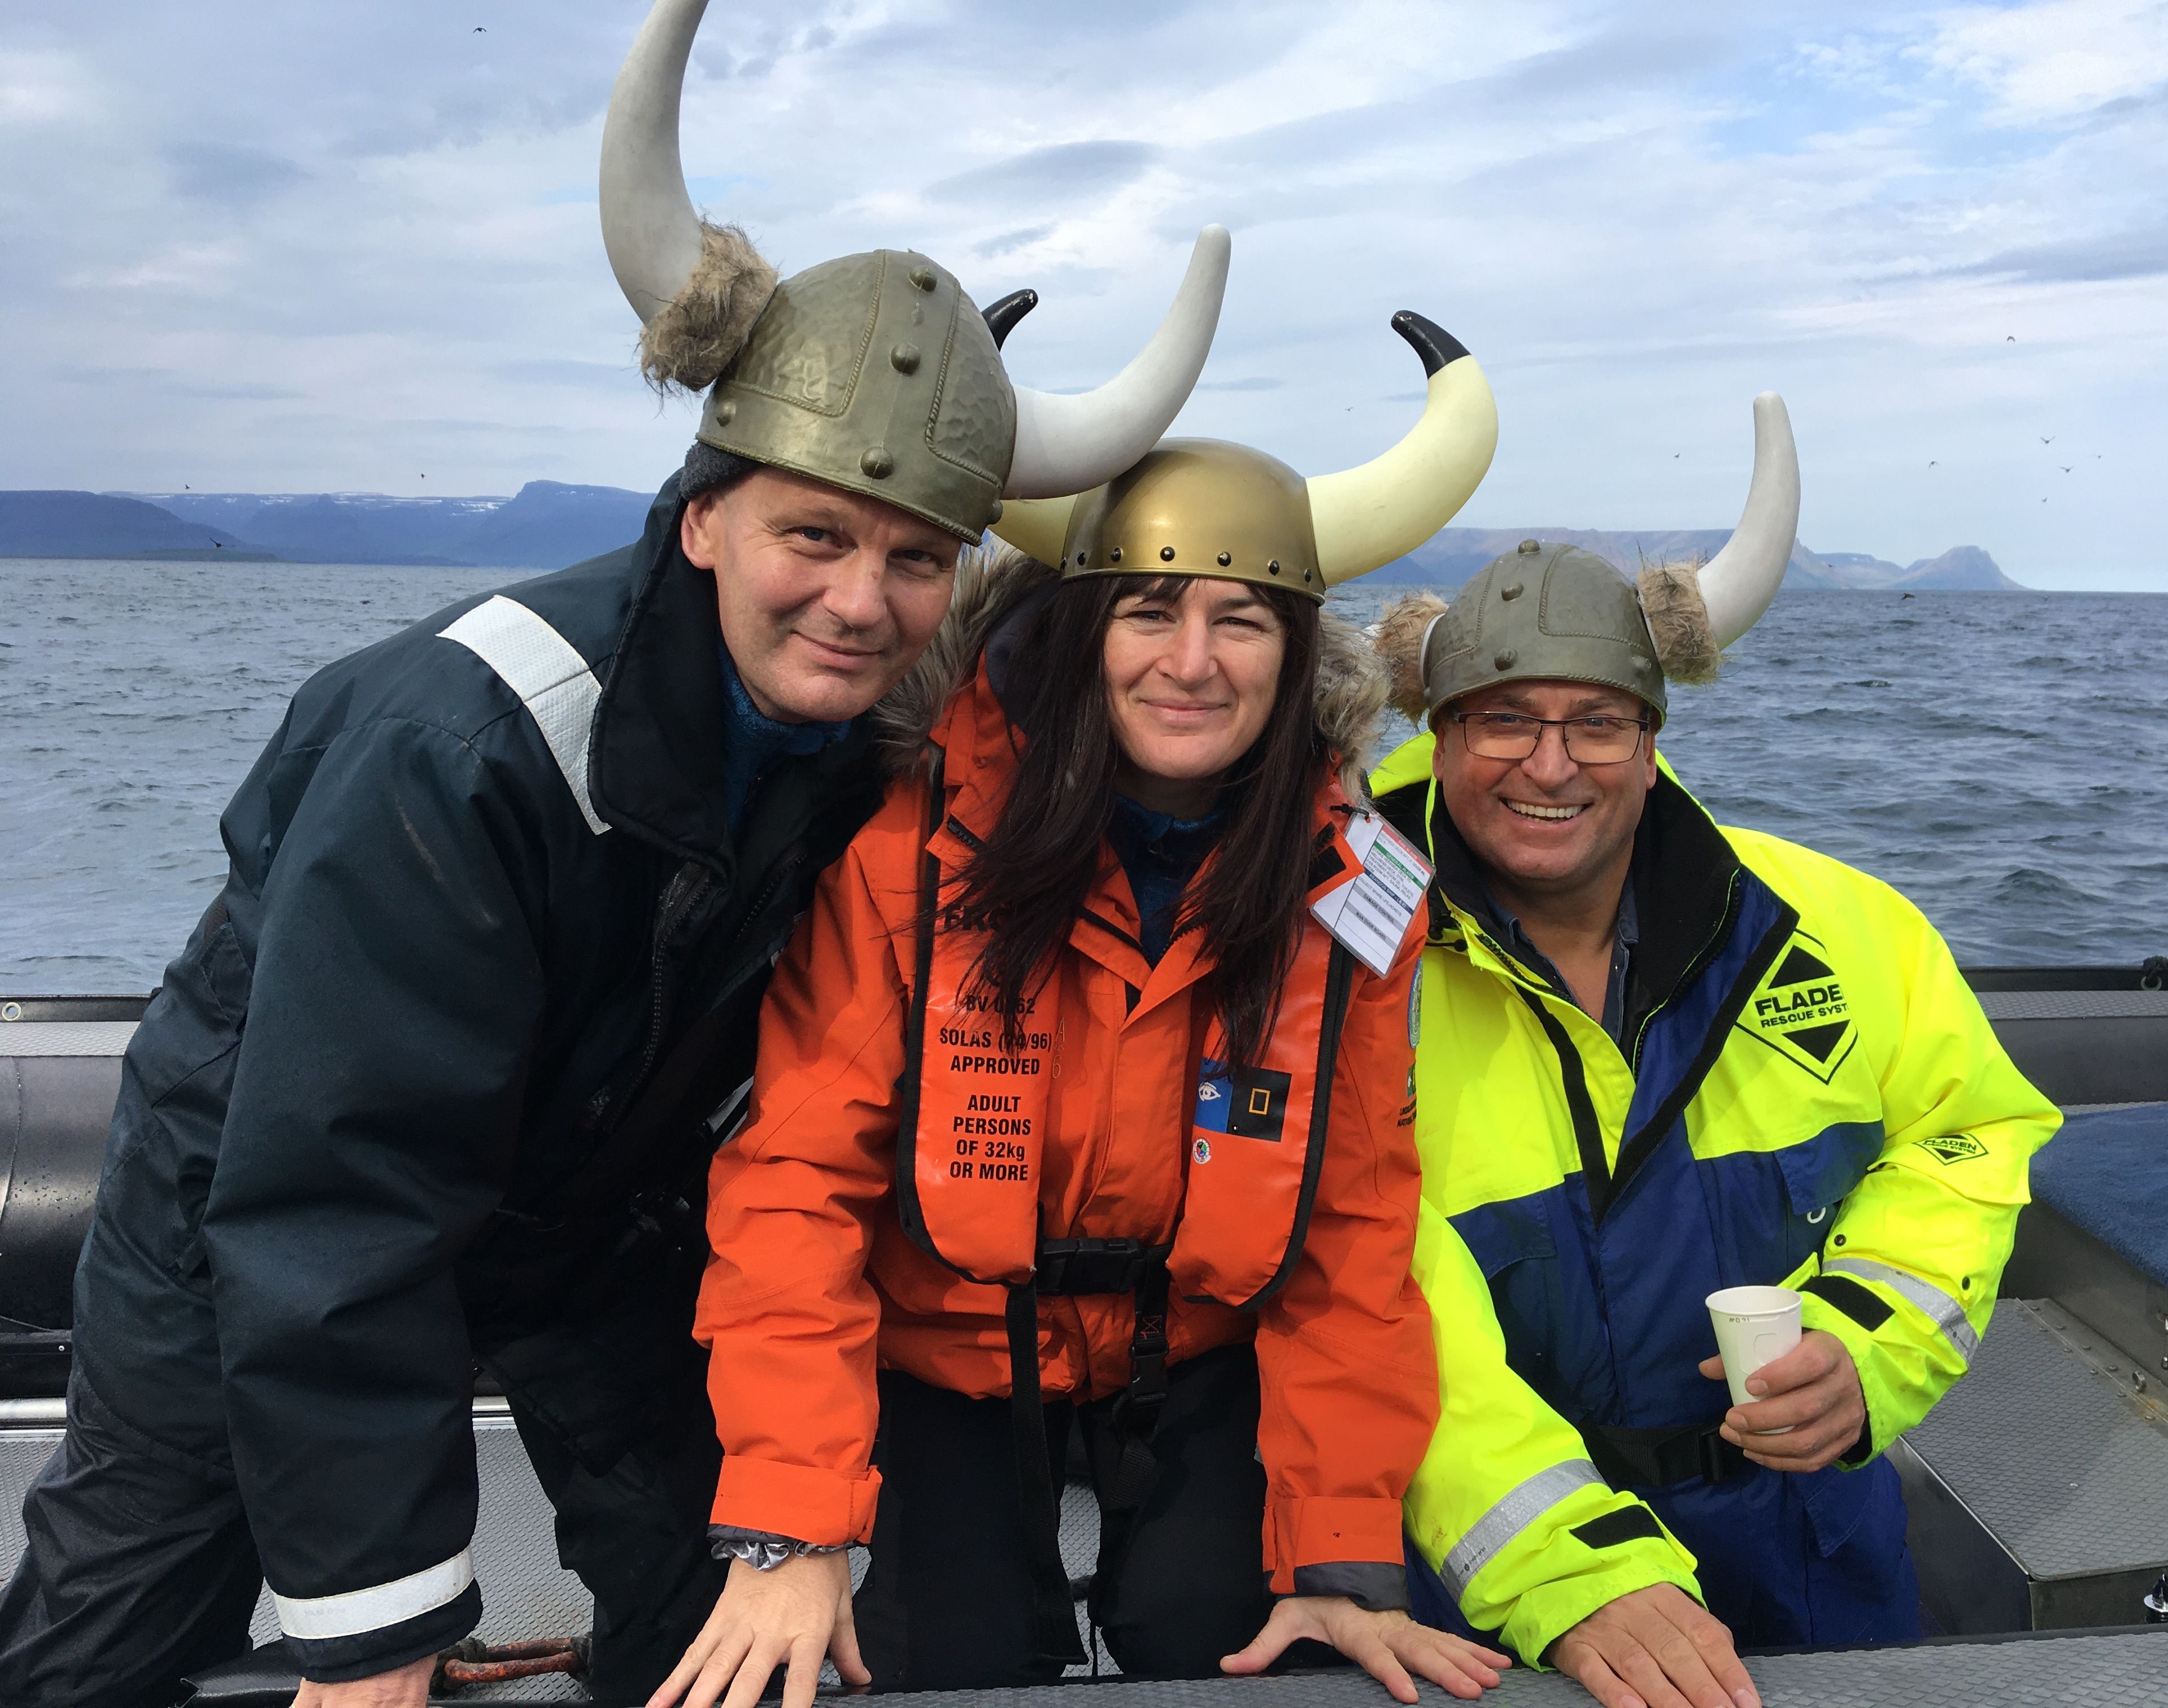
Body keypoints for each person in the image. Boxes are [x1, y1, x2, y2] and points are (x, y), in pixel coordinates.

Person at [0, 1, 1229, 1701]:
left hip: (589, 1208)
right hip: (254, 1201)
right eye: (814, 534)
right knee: (113, 1636)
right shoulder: (468, 743)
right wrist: (381, 1630)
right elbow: (338, 1185)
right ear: (704, 514)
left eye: (915, 557)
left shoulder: (873, 739)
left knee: (718, 1629)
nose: (861, 601)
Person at [647, 315, 1506, 1708]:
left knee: (1249, 1657)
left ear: (1294, 657)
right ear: (1077, 632)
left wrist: (1344, 1552)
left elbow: (1352, 1231)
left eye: (1241, 621)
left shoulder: (1352, 890)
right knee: (941, 1665)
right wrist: (792, 1528)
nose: (1193, 661)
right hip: (946, 1352)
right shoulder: (912, 851)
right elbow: (796, 1182)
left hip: (1202, 1352)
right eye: (1149, 611)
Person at [1370, 396, 2062, 1708]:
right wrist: (1566, 1569)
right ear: (1438, 737)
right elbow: (1363, 1292)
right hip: (1489, 1596)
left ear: (1653, 741)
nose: (1551, 766)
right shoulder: (1346, 969)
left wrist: (1864, 1346)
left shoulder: (1838, 926)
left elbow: (1971, 1135)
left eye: (1598, 722)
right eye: (1502, 720)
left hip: (1813, 1544)